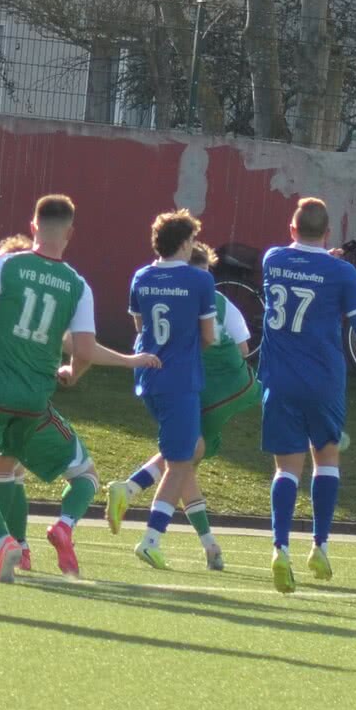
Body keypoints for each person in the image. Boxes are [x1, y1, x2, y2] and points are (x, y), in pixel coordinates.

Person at [0, 194, 156, 582]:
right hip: (34, 402)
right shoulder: (77, 285)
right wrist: (75, 371)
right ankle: (20, 541)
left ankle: (2, 542)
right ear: (70, 233)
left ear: (33, 226)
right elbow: (84, 349)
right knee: (79, 474)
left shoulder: (7, 263)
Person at [258, 196, 356, 594]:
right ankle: (320, 545)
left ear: (292, 229)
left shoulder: (272, 259)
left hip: (279, 378)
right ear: (328, 232)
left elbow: (301, 267)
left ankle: (280, 547)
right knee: (326, 459)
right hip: (323, 379)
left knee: (285, 469)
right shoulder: (341, 272)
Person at [107, 241, 252, 570]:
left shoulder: (152, 284)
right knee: (185, 456)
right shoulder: (213, 298)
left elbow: (140, 330)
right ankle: (140, 513)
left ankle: (208, 544)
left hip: (153, 378)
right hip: (197, 389)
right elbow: (241, 350)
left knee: (183, 459)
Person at [118, 211, 220, 571]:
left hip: (148, 377)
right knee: (181, 463)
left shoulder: (141, 276)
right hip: (181, 380)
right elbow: (209, 336)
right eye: (191, 239)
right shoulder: (199, 281)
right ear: (183, 242)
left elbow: (140, 326)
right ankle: (150, 539)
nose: (194, 245)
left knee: (181, 452)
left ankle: (131, 489)